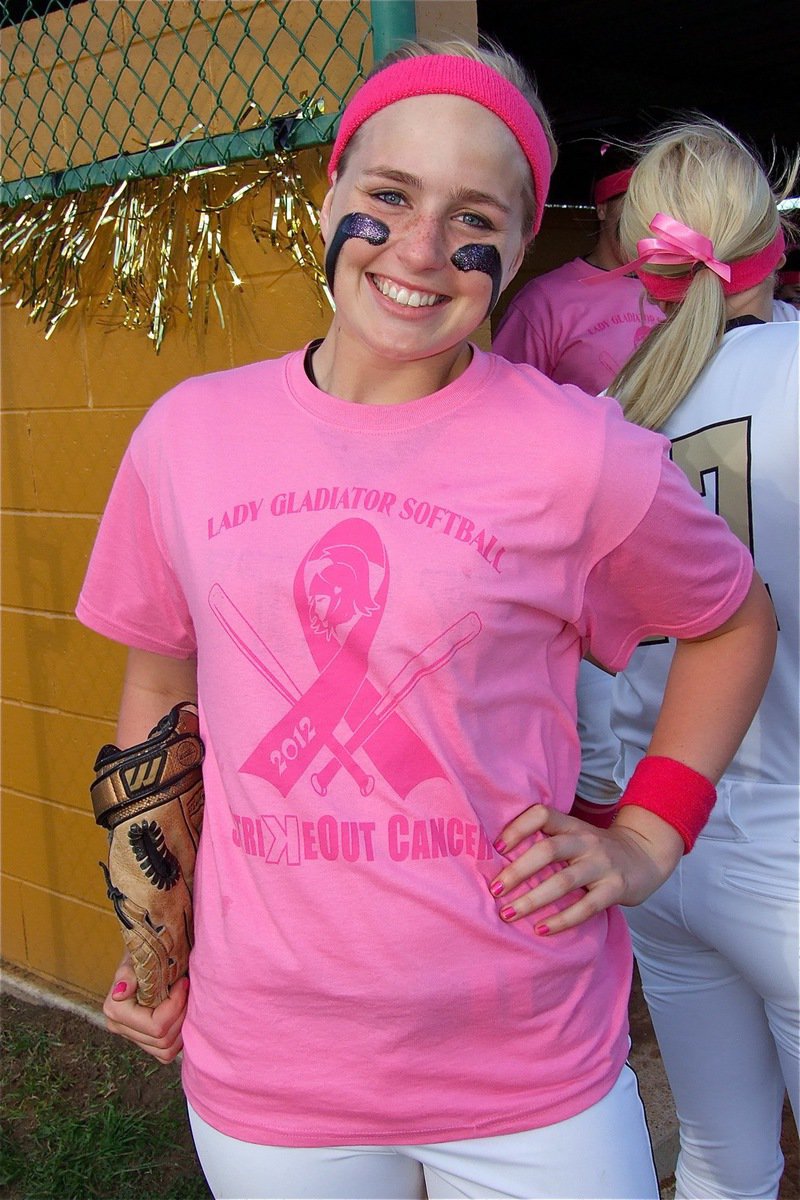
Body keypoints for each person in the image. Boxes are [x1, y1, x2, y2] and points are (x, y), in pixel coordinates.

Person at [76, 40, 777, 1200]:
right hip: (275, 1069)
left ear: (519, 241)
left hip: (526, 1066)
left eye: (472, 215)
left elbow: (731, 620)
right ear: (330, 196)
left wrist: (648, 834)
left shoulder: (579, 452)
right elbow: (160, 693)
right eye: (388, 197)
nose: (418, 249)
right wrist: (156, 940)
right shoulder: (185, 438)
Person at [495, 120, 798, 1200]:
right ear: (767, 240)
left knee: (721, 1159)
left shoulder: (607, 409)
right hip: (780, 845)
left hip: (662, 845)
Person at [491, 142, 664, 396]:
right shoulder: (544, 302)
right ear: (602, 208)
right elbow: (504, 399)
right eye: (633, 206)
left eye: (656, 208)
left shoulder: (675, 289)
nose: (645, 222)